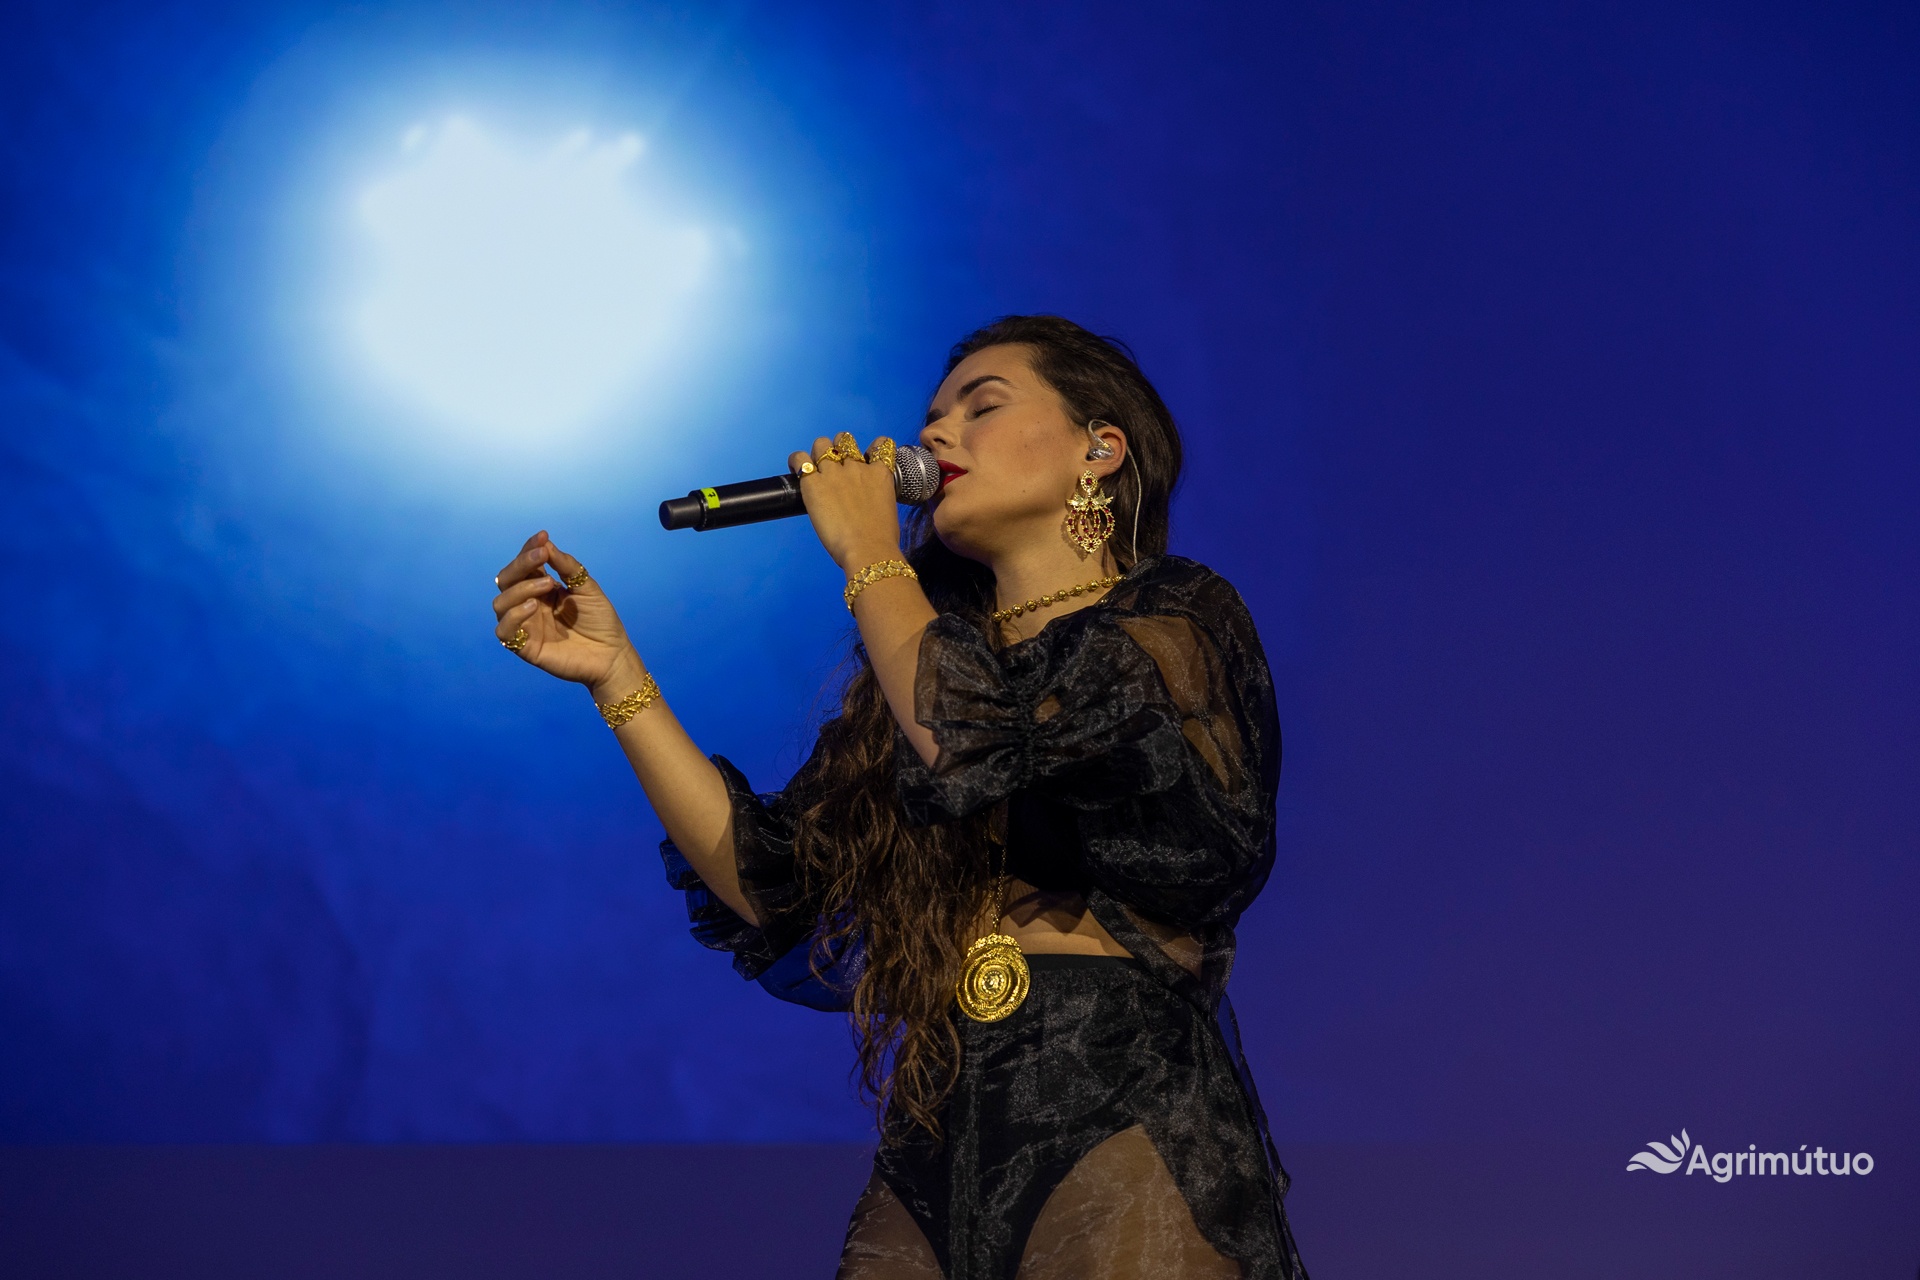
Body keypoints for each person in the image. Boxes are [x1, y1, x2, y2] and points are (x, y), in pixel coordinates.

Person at [491, 315, 1307, 1279]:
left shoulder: (1170, 621)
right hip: (943, 1114)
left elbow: (970, 740)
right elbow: (769, 883)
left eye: (981, 407)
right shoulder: (918, 672)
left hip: (1119, 1090)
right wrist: (615, 675)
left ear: (1099, 448)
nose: (934, 434)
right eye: (932, 416)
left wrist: (868, 552)